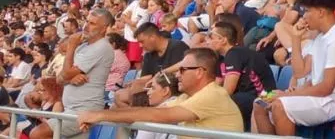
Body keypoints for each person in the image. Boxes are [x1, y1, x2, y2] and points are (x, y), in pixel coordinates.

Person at [254, 0, 335, 136]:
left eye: (307, 11)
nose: (303, 16)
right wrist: (296, 39)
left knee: (279, 105)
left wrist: (286, 95)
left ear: (320, 12)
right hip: (320, 97)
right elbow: (300, 73)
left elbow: (326, 88)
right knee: (261, 102)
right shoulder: (320, 37)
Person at [77, 48, 244, 135]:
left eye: (182, 70)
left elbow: (160, 116)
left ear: (200, 72)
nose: (177, 74)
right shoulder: (189, 96)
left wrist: (99, 115)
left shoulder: (212, 94)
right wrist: (101, 115)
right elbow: (152, 112)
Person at [57, 9, 115, 139]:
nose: (86, 26)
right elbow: (59, 78)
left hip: (85, 109)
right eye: (87, 21)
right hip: (71, 109)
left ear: (104, 28)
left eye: (92, 23)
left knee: (38, 133)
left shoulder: (102, 47)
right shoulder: (82, 46)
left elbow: (65, 74)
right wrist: (69, 80)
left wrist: (71, 45)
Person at [210, 21, 276, 129]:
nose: (207, 41)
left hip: (266, 96)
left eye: (211, 37)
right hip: (248, 95)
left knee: (226, 101)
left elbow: (228, 90)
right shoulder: (222, 58)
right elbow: (215, 86)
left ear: (223, 40)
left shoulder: (235, 53)